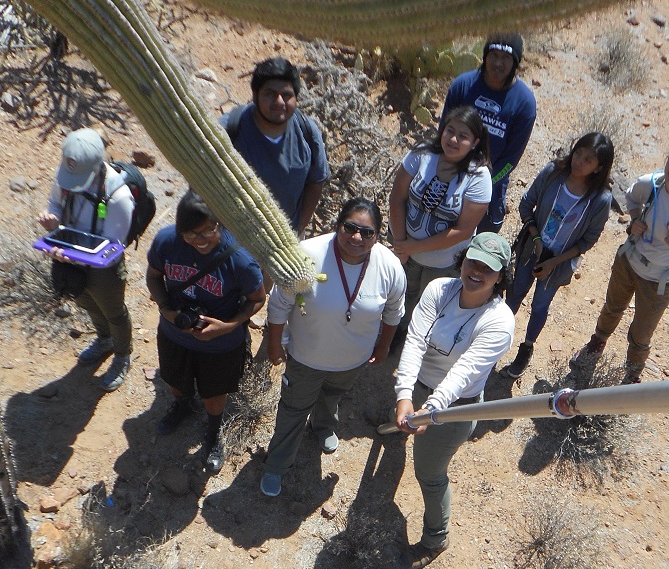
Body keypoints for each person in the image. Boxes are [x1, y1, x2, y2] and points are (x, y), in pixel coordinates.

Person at [260, 198, 406, 498]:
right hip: (306, 357)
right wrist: (274, 345)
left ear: (378, 235)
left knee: (332, 396)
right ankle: (276, 465)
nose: (357, 237)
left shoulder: (390, 267)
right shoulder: (306, 255)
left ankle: (323, 427)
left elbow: (394, 313)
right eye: (350, 228)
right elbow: (278, 306)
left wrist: (384, 344)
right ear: (337, 225)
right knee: (293, 410)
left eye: (367, 232)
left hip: (352, 360)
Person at [387, 232, 515, 568]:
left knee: (429, 472)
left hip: (454, 406)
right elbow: (414, 341)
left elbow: (464, 371)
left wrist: (432, 408)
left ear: (500, 276)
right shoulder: (439, 289)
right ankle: (398, 425)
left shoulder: (499, 322)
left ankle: (435, 538)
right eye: (473, 261)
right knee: (402, 416)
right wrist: (405, 395)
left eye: (488, 268)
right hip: (421, 389)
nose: (476, 271)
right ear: (463, 259)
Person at [571, 135, 669, 384]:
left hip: (659, 279)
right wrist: (634, 220)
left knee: (641, 334)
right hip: (629, 262)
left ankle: (632, 375)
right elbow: (632, 197)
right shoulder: (652, 183)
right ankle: (596, 345)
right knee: (611, 308)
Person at [146, 191, 265, 473]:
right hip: (175, 333)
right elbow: (153, 275)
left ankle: (213, 435)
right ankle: (182, 406)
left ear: (219, 223)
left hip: (220, 345)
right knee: (175, 380)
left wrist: (229, 326)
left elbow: (257, 299)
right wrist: (164, 307)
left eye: (207, 232)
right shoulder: (166, 241)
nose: (199, 241)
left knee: (214, 394)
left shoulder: (240, 258)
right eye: (190, 234)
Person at [503, 132, 615, 379]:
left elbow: (588, 241)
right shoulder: (553, 172)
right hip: (531, 249)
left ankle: (526, 348)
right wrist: (536, 238)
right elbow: (525, 204)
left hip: (558, 263)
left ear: (598, 168)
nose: (579, 161)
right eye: (578, 153)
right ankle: (494, 335)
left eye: (588, 160)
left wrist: (554, 261)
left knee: (540, 306)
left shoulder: (600, 200)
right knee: (515, 292)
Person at [37, 128, 135, 391]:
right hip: (70, 257)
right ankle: (104, 340)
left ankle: (123, 355)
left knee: (114, 312)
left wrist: (68, 254)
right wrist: (53, 221)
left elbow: (111, 247)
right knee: (86, 302)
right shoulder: (67, 176)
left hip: (103, 269)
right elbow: (56, 203)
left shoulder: (118, 195)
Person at [389, 105, 491, 324]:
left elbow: (463, 231)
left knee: (427, 309)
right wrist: (400, 244)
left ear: (474, 143)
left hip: (443, 263)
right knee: (398, 298)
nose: (453, 140)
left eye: (463, 136)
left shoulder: (479, 177)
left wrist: (412, 247)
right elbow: (397, 197)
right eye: (450, 131)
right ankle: (393, 337)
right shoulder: (422, 153)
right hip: (404, 249)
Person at [223, 56, 330, 240]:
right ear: (255, 96)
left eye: (287, 95)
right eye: (269, 94)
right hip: (234, 244)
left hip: (286, 243)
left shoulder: (307, 131)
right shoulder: (230, 130)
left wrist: (297, 230)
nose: (279, 102)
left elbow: (316, 182)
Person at [440, 33, 536, 231]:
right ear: (484, 56)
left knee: (479, 250)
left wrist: (481, 183)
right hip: (450, 174)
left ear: (515, 63)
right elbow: (444, 132)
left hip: (490, 185)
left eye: (506, 58)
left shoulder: (524, 104)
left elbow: (510, 160)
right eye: (494, 55)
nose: (498, 63)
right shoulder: (463, 85)